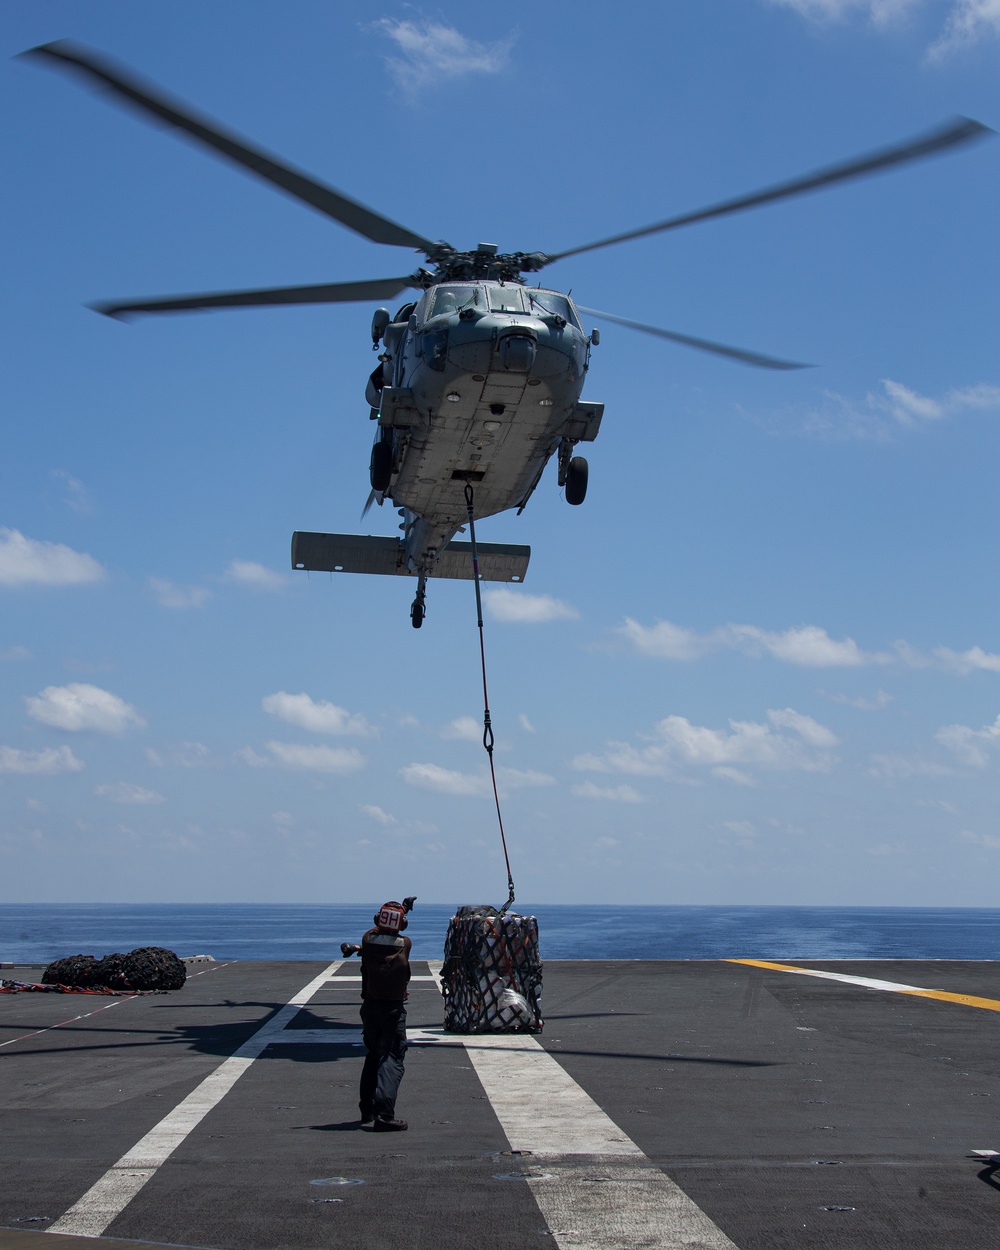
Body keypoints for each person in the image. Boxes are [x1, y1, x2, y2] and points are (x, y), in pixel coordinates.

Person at [357, 900, 412, 1131]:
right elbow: (397, 934)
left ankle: (366, 1109)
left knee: (372, 1056)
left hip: (370, 1008)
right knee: (392, 1059)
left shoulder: (368, 940)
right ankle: (385, 1115)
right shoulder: (404, 943)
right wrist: (404, 912)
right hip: (392, 1009)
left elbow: (376, 933)